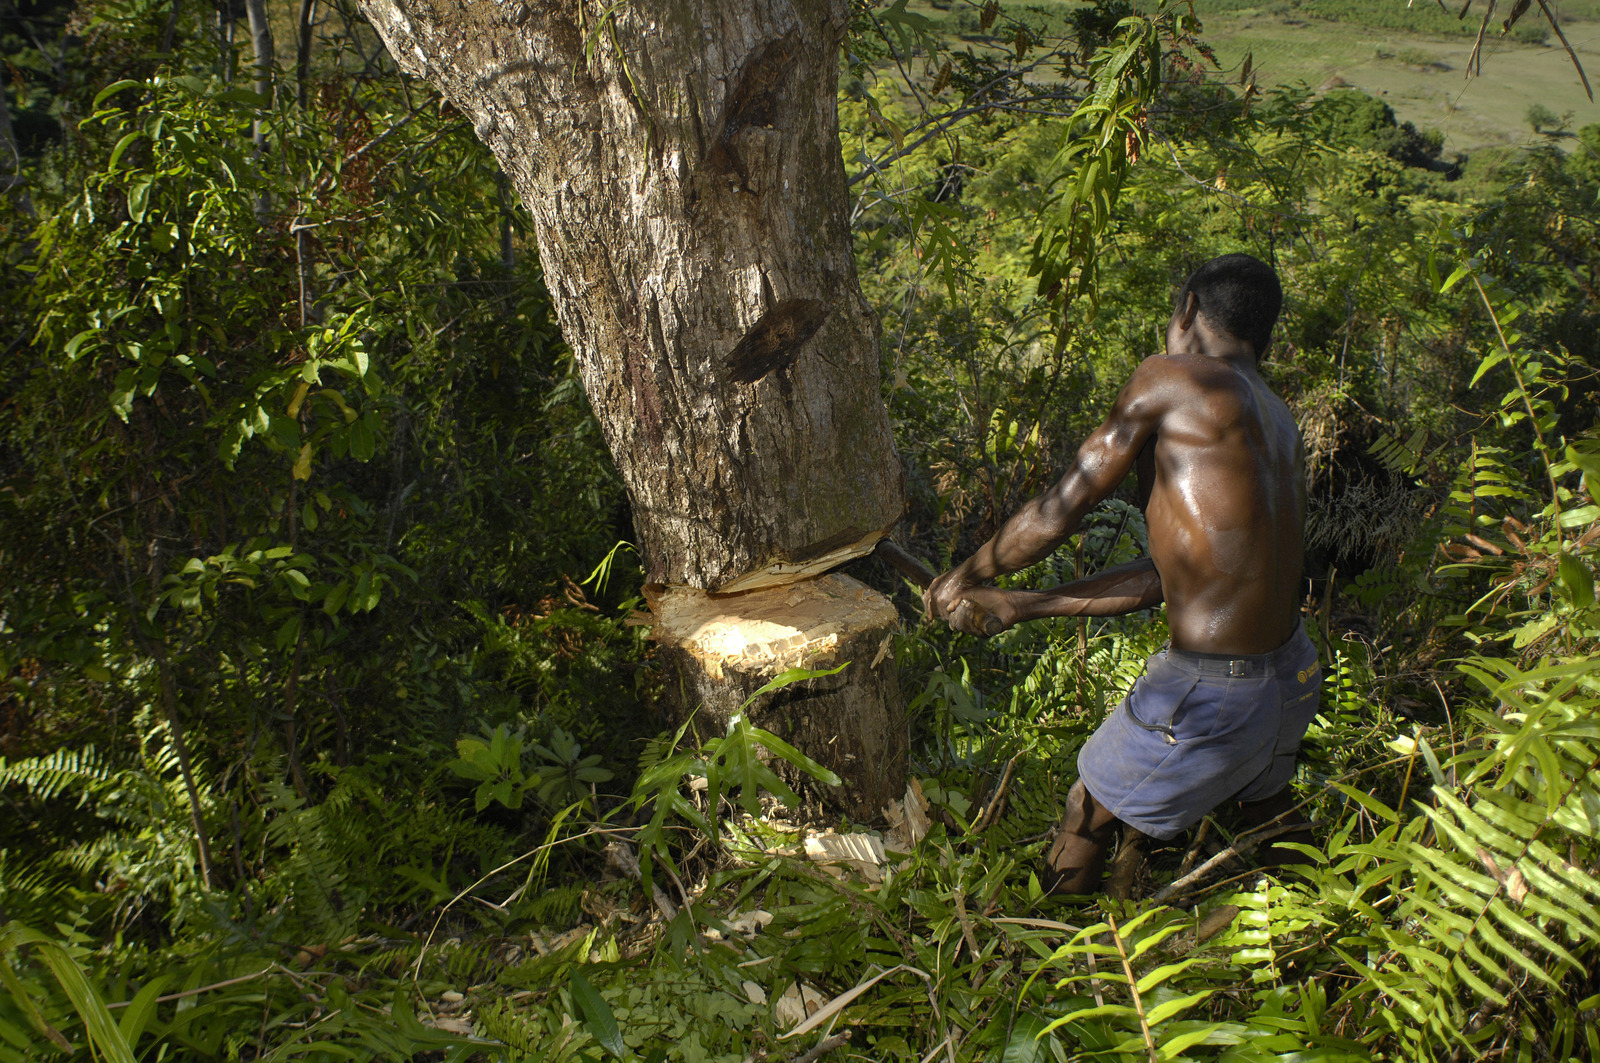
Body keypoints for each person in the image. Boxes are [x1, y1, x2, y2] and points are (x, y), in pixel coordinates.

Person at [924, 253, 1318, 894]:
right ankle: (1336, 939)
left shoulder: (1171, 378)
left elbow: (1061, 509)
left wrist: (963, 576)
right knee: (1268, 811)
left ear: (1187, 309)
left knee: (1088, 809)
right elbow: (1176, 577)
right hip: (1291, 677)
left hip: (1217, 693)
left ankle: (1043, 965)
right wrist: (1024, 603)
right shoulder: (1278, 417)